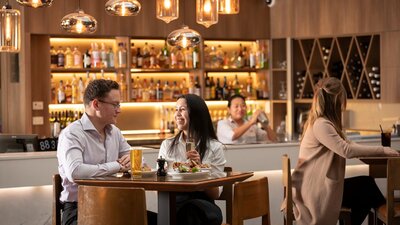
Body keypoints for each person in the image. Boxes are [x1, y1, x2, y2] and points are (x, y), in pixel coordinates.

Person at [290, 77, 400, 225]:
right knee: (366, 188)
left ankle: (387, 214)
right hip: (314, 192)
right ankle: (390, 215)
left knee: (366, 188)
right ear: (336, 101)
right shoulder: (321, 125)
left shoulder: (324, 123)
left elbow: (348, 144)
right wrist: (383, 150)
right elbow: (346, 150)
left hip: (313, 187)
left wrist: (382, 151)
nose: (344, 105)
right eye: (343, 100)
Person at [57, 79, 156, 225]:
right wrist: (117, 166)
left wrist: (132, 161)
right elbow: (75, 172)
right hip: (79, 210)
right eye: (115, 104)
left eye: (119, 104)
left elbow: (138, 161)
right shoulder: (72, 134)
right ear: (96, 104)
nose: (119, 110)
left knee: (164, 220)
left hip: (115, 204)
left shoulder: (114, 132)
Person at [158, 94, 226, 225]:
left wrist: (201, 169)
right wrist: (163, 175)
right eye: (176, 109)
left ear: (196, 114)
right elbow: (159, 186)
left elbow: (215, 194)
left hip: (203, 207)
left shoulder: (215, 147)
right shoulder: (167, 145)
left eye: (182, 109)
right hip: (174, 203)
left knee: (190, 211)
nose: (177, 114)